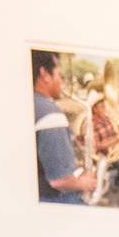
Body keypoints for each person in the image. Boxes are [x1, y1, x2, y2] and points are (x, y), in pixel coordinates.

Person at [31, 51, 90, 203]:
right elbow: (60, 181)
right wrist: (85, 182)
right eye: (59, 74)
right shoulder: (50, 114)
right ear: (45, 74)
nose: (61, 81)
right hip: (52, 198)